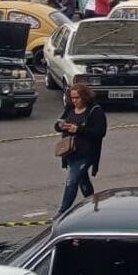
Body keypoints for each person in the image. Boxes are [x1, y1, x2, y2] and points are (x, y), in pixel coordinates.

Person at [55, 83, 108, 214]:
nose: (74, 101)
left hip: (86, 153)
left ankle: (62, 212)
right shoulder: (70, 108)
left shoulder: (95, 111)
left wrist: (78, 130)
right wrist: (60, 125)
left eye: (77, 98)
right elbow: (59, 123)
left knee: (72, 180)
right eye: (72, 98)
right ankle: (93, 202)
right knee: (82, 180)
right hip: (71, 152)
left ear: (85, 97)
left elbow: (99, 133)